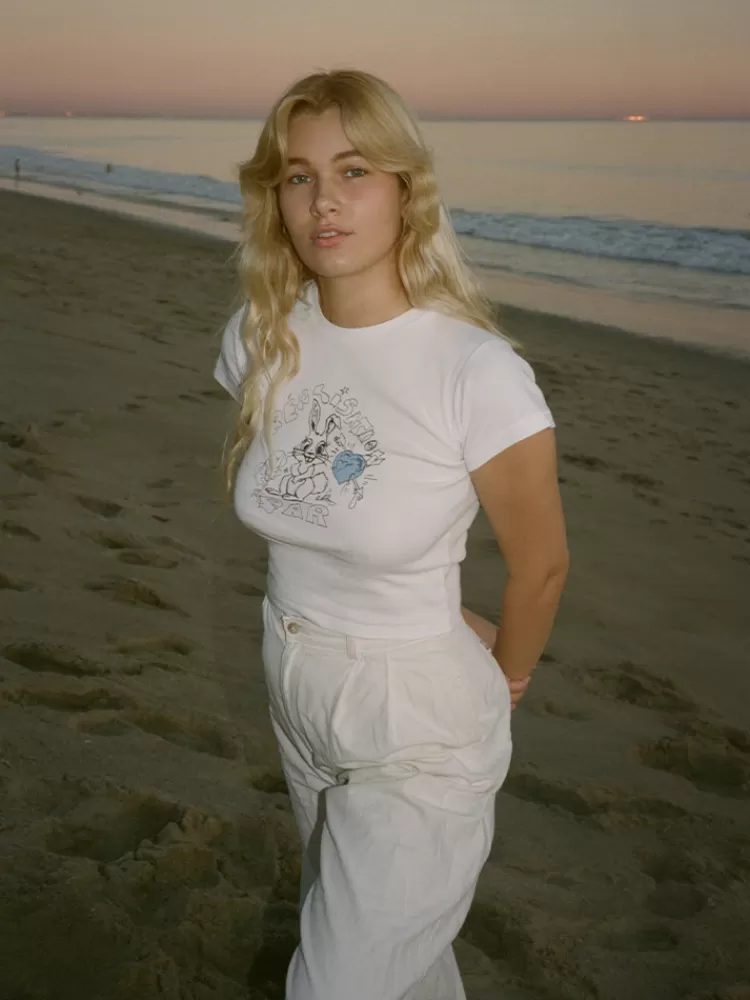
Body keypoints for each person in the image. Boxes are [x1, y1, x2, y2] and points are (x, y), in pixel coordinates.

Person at [213, 68, 569, 1000]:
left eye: (354, 171)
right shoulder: (264, 336)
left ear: (407, 189)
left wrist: (502, 679)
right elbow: (324, 518)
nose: (323, 201)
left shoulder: (475, 372)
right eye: (299, 177)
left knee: (336, 982)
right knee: (397, 967)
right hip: (293, 679)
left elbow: (541, 567)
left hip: (419, 729)